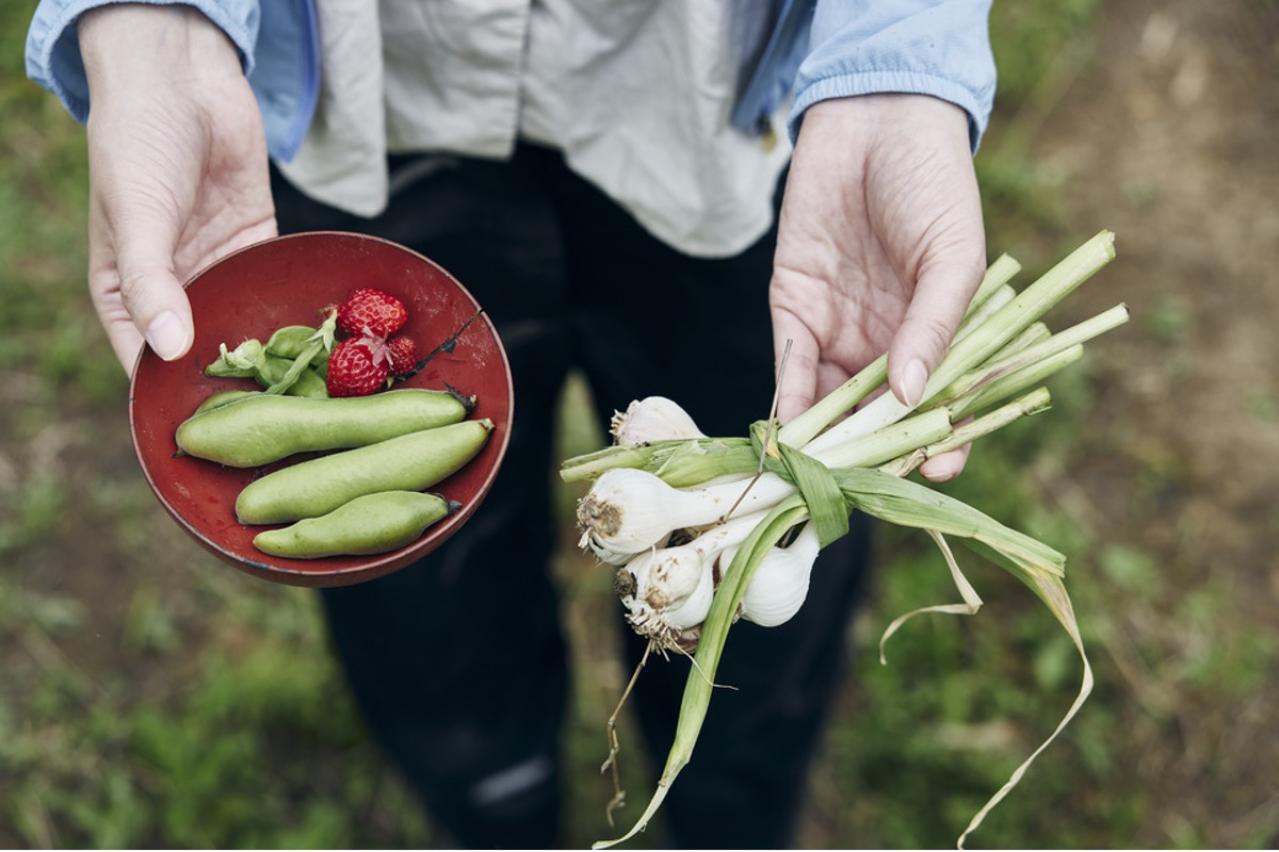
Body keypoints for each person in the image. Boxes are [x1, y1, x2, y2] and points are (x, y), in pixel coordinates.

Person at [27, 1, 996, 846]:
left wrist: (894, 59)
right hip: (374, 93)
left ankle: (724, 822)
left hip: (736, 110)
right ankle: (493, 809)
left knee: (760, 560)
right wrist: (157, 25)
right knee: (422, 600)